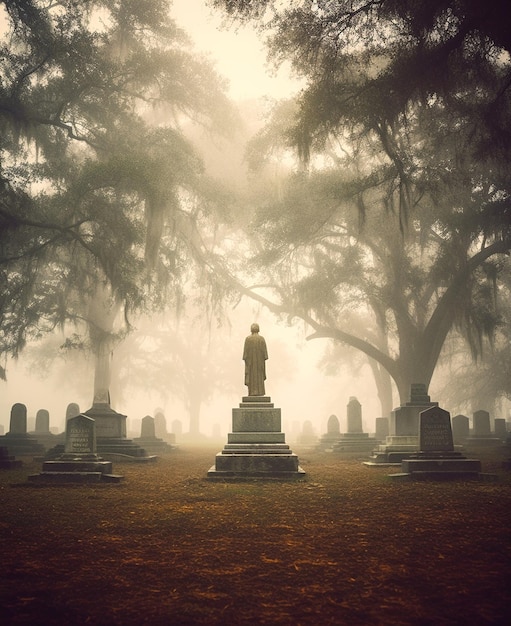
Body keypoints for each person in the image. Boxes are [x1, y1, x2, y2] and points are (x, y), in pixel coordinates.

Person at [243, 323, 268, 396]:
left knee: (251, 377)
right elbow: (265, 355)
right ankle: (260, 392)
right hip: (260, 364)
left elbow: (245, 355)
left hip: (250, 364)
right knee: (259, 376)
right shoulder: (262, 339)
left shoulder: (248, 339)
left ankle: (252, 392)